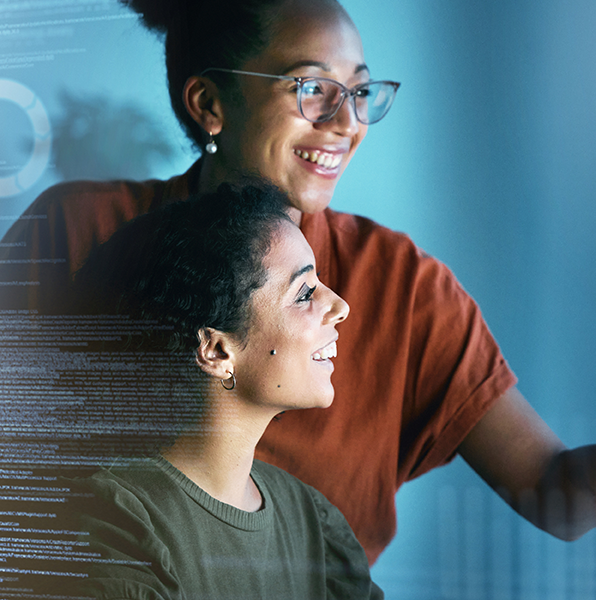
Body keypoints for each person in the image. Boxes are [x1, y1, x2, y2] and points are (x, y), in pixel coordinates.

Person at [0, 0, 596, 564]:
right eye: (310, 87)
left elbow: (555, 494)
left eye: (359, 91)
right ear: (209, 102)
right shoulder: (79, 235)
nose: (346, 121)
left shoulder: (403, 288)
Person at [39, 181, 382, 598]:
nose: (341, 307)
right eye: (305, 292)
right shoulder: (114, 520)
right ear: (217, 350)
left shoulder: (312, 518)